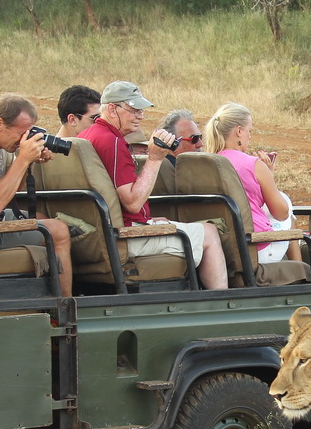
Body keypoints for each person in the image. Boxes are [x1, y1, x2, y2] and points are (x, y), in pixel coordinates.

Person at [78, 81, 228, 290]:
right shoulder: (112, 142)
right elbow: (132, 203)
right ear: (112, 109)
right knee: (210, 232)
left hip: (102, 231)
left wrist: (147, 220)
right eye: (134, 110)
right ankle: (222, 302)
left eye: (141, 110)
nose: (140, 115)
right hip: (125, 235)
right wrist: (155, 158)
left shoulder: (86, 136)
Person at [0, 94, 74, 297]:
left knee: (42, 219)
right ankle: (65, 303)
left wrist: (29, 161)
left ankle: (41, 292)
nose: (22, 140)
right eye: (20, 133)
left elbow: (12, 190)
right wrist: (22, 159)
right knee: (58, 231)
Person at [203, 102, 301, 263]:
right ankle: (300, 267)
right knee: (286, 203)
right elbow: (281, 214)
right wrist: (269, 177)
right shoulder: (254, 165)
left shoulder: (206, 163)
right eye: (249, 131)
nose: (250, 136)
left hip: (219, 248)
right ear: (239, 131)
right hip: (256, 248)